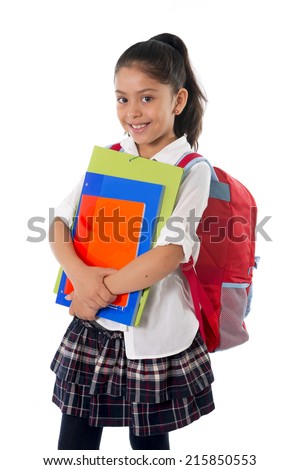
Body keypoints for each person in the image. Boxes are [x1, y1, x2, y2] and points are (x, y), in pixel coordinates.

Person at [49, 32, 215, 451]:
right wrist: (81, 281)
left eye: (146, 98)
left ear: (177, 101)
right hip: (97, 326)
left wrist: (96, 291)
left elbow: (170, 253)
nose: (132, 112)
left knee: (148, 446)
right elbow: (59, 223)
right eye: (122, 99)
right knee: (75, 441)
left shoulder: (191, 168)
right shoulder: (111, 155)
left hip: (153, 332)